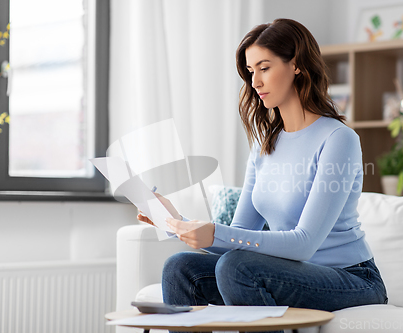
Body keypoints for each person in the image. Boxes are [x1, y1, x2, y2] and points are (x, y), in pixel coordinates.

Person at [137, 18, 388, 313]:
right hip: (287, 273)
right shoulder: (263, 145)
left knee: (237, 267)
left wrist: (215, 232)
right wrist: (178, 222)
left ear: (296, 64)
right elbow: (240, 233)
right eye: (250, 71)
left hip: (351, 279)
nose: (255, 82)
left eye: (264, 68)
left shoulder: (338, 139)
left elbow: (303, 244)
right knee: (180, 267)